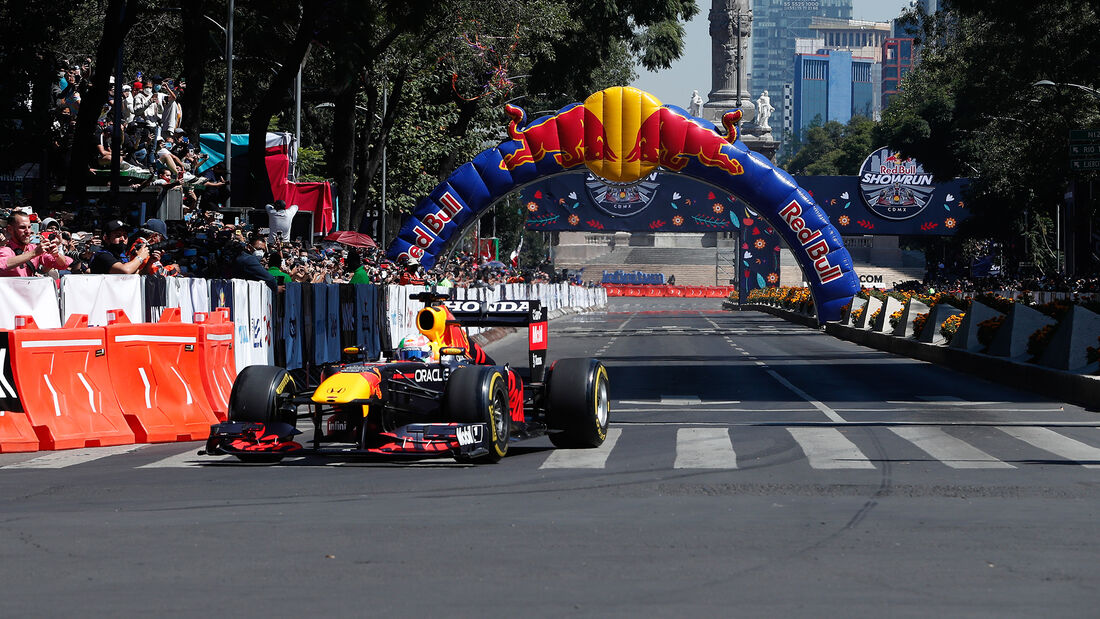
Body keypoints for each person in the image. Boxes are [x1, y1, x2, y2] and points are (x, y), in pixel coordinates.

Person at [0, 211, 73, 276]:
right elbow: (3, 264)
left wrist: (56, 254)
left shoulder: (34, 248)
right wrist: (34, 253)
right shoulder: (5, 249)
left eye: (29, 227)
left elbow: (63, 265)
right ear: (10, 229)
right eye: (22, 227)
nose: (28, 231)